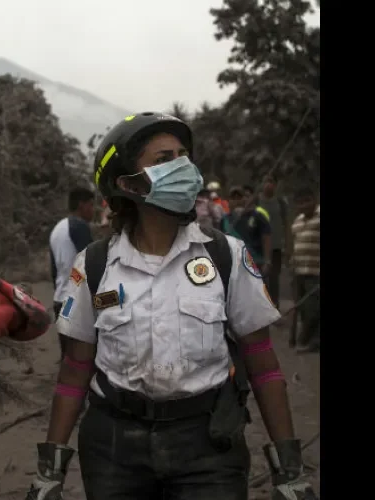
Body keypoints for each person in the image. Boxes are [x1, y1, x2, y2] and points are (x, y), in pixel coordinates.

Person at [26, 112, 317, 500]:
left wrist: (289, 468)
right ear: (127, 184)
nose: (182, 166)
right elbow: (76, 369)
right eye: (164, 160)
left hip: (208, 447)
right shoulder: (94, 265)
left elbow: (262, 361)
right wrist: (51, 471)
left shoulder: (225, 256)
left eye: (184, 156)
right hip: (114, 449)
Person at [49, 188, 95, 356]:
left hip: (61, 301)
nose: (93, 209)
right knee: (82, 357)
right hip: (75, 301)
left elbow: (55, 271)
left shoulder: (57, 229)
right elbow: (91, 262)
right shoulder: (79, 226)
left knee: (68, 355)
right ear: (81, 205)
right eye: (91, 205)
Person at [289, 186, 320, 353]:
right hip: (299, 271)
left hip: (315, 272)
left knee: (313, 308)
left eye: (307, 201)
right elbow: (295, 243)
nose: (304, 205)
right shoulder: (298, 220)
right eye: (300, 203)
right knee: (302, 308)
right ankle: (310, 340)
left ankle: (310, 341)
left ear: (314, 200)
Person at [225, 185, 273, 278]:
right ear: (229, 202)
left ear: (245, 199)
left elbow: (266, 238)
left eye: (239, 197)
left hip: (255, 262)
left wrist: (267, 262)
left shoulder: (257, 216)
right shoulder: (225, 220)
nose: (237, 201)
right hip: (234, 265)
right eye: (233, 198)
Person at [259, 173, 289, 306]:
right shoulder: (256, 201)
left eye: (271, 181)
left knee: (274, 278)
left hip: (276, 247)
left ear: (275, 185)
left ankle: (275, 305)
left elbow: (286, 225)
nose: (268, 184)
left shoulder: (281, 202)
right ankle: (262, 306)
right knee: (260, 279)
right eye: (265, 181)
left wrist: (288, 247)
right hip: (259, 247)